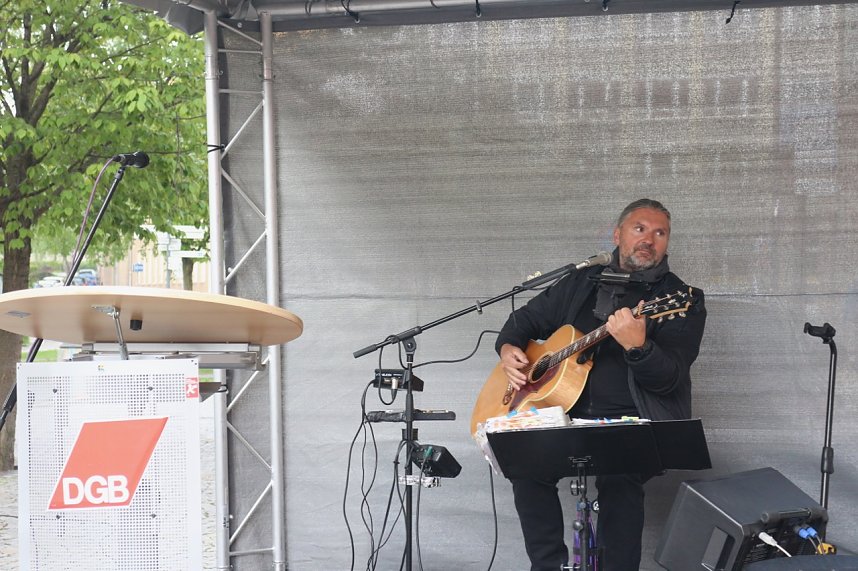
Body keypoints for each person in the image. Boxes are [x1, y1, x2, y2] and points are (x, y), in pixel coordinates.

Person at [495, 198, 706, 571]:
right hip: (560, 414)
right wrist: (509, 347)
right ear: (618, 234)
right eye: (640, 229)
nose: (649, 240)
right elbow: (524, 320)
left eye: (660, 233)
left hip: (630, 420)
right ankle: (548, 566)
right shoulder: (580, 282)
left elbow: (671, 376)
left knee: (619, 478)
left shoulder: (681, 299)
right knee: (524, 463)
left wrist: (638, 347)